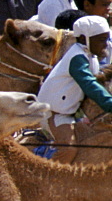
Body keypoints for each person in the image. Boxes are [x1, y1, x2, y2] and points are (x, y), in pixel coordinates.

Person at [38, 15, 112, 163]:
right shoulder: (77, 58)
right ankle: (48, 175)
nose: (106, 44)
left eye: (107, 39)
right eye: (101, 40)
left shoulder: (90, 56)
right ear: (84, 39)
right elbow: (90, 85)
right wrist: (109, 104)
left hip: (72, 113)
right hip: (55, 114)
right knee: (69, 149)